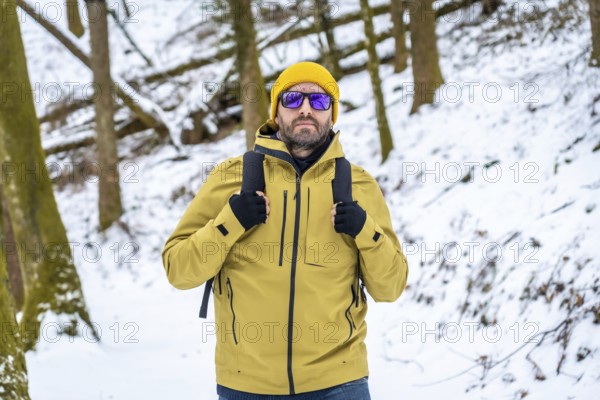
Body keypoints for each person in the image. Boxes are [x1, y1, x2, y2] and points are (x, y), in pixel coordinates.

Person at [162, 61, 409, 399]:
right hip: (246, 385)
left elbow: (390, 287)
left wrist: (365, 230)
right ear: (276, 112)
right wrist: (229, 222)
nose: (306, 109)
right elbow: (178, 270)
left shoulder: (358, 185)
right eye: (293, 99)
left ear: (332, 114)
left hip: (339, 382)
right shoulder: (231, 177)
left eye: (319, 101)